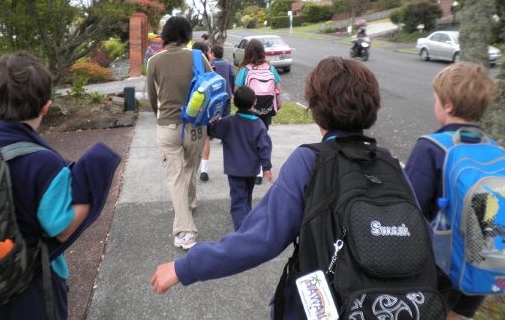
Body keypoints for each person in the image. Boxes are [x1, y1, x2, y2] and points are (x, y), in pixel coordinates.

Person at [150, 57, 388, 319]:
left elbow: (263, 237)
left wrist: (187, 268)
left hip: (331, 302)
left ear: (315, 108)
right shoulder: (390, 164)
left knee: (241, 202)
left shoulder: (310, 161)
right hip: (394, 303)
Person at [0, 51, 119, 320]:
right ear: (46, 107)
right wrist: (92, 182)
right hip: (30, 292)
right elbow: (61, 228)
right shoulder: (43, 164)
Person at [403, 61, 496, 320]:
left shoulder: (431, 148)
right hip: (479, 270)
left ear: (448, 106)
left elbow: (409, 210)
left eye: (435, 99)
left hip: (439, 270)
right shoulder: (493, 149)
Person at [146, 16, 213, 250]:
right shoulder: (198, 56)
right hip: (195, 126)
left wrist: (160, 116)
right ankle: (190, 202)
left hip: (168, 126)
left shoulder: (154, 61)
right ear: (187, 36)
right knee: (189, 167)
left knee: (175, 177)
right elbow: (211, 87)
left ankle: (184, 232)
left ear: (164, 36)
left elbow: (152, 98)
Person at [207, 85, 272, 230]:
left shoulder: (228, 122)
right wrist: (266, 166)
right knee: (247, 196)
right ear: (254, 102)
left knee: (238, 200)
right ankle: (247, 222)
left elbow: (212, 129)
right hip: (251, 169)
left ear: (235, 102)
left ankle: (241, 230)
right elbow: (264, 146)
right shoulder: (259, 125)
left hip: (234, 170)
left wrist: (208, 118)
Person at [234, 39, 281, 184]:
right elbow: (278, 89)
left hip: (250, 111)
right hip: (266, 110)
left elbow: (237, 90)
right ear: (262, 52)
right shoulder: (270, 68)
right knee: (262, 138)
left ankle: (251, 169)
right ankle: (261, 171)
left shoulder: (245, 70)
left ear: (247, 53)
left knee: (250, 141)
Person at [198, 45, 235, 182]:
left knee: (214, 115)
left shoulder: (211, 65)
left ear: (213, 54)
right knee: (226, 115)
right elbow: (231, 78)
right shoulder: (227, 64)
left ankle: (212, 132)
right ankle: (225, 136)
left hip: (215, 95)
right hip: (227, 93)